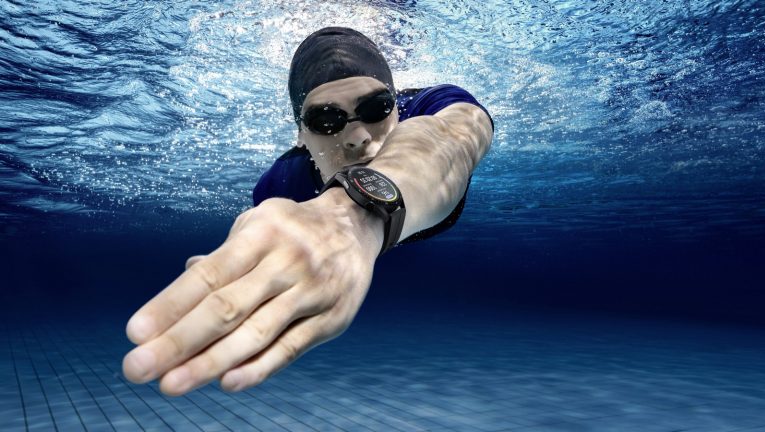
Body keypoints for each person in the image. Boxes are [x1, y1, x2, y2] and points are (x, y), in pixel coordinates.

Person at [122, 27, 494, 396]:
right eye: (326, 121)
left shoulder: (429, 105)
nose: (358, 137)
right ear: (301, 134)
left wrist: (349, 218)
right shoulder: (282, 186)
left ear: (397, 106)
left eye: (376, 109)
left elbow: (454, 134)